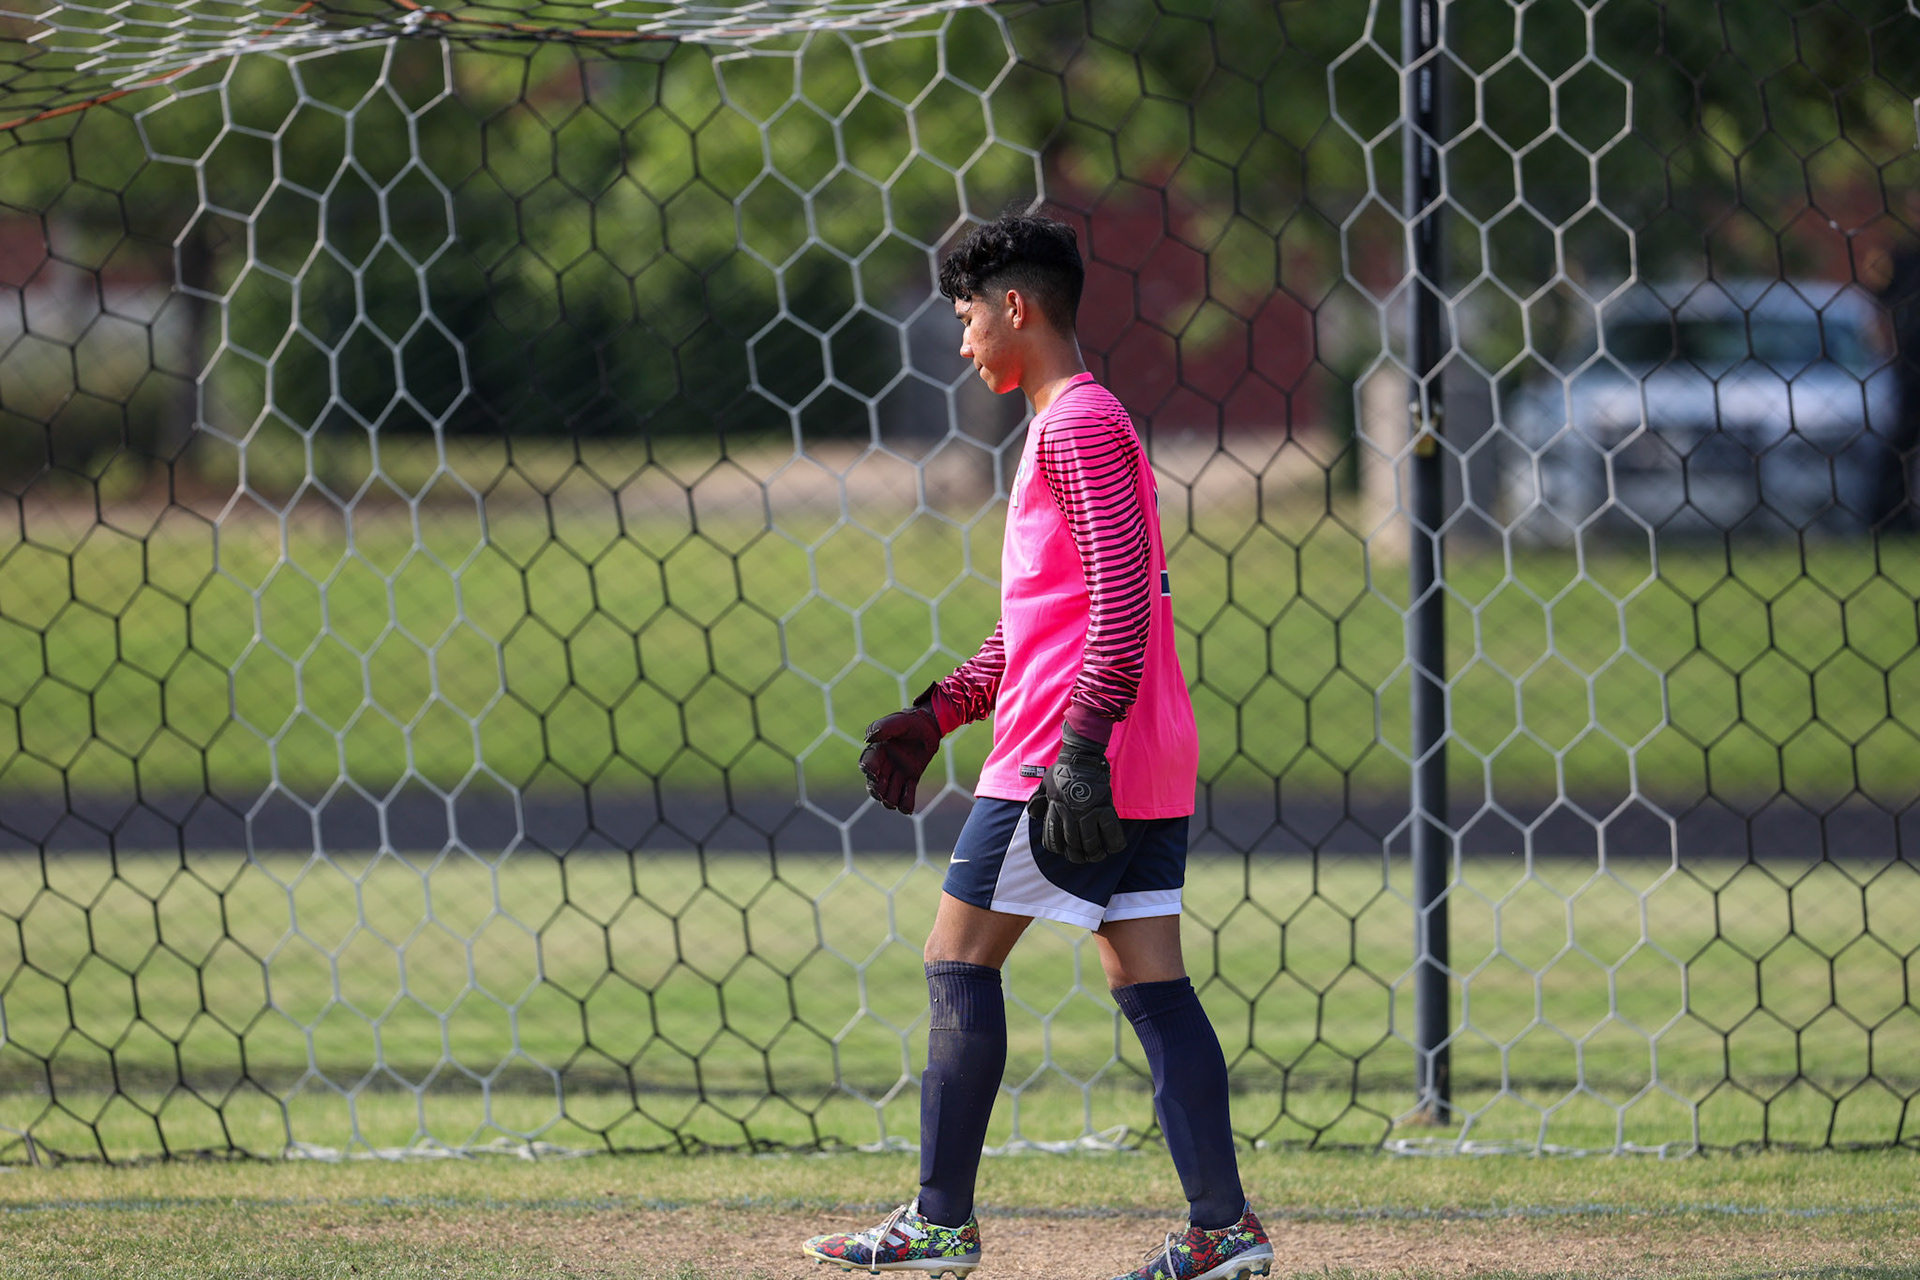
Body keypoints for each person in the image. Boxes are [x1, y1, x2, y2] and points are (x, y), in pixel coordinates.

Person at [800, 213, 1273, 1280]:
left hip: (1073, 752)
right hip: (1136, 751)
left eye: (967, 316)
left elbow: (1120, 607)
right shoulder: (1073, 422)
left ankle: (938, 1223)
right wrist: (940, 708)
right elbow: (1040, 618)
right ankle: (1222, 1227)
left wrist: (1077, 747)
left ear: (1014, 307)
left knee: (955, 961)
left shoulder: (1077, 424)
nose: (963, 340)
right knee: (1150, 979)